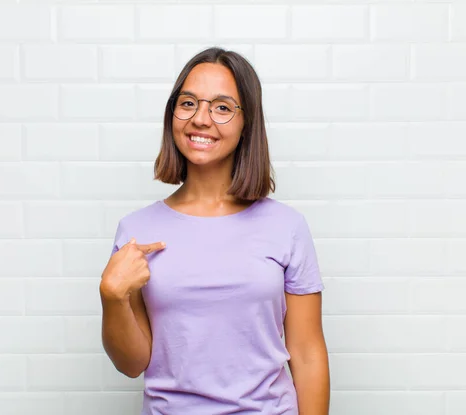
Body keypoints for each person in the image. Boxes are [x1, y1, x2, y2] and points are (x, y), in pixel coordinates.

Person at [99, 47, 330, 415]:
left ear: (246, 123)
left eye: (222, 107)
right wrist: (112, 296)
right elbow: (131, 363)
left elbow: (307, 353)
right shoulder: (137, 230)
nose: (200, 119)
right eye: (188, 103)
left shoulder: (287, 227)